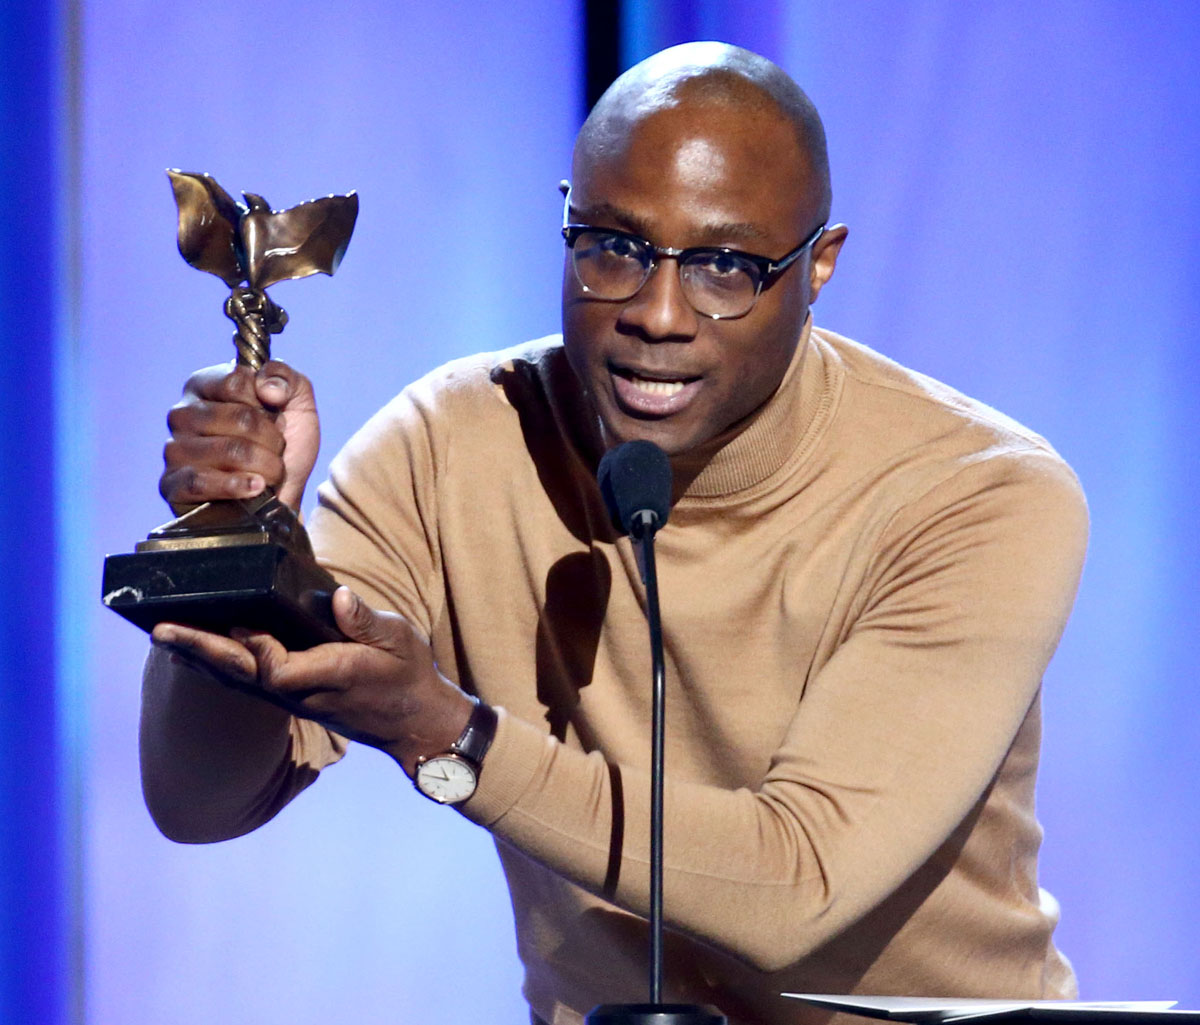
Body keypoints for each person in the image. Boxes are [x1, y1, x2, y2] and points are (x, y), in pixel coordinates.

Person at [141, 42, 1088, 1025]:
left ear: (819, 267)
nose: (657, 313)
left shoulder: (976, 492)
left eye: (727, 265)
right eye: (613, 247)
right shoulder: (454, 442)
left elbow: (805, 881)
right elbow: (199, 801)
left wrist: (450, 733)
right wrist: (247, 554)